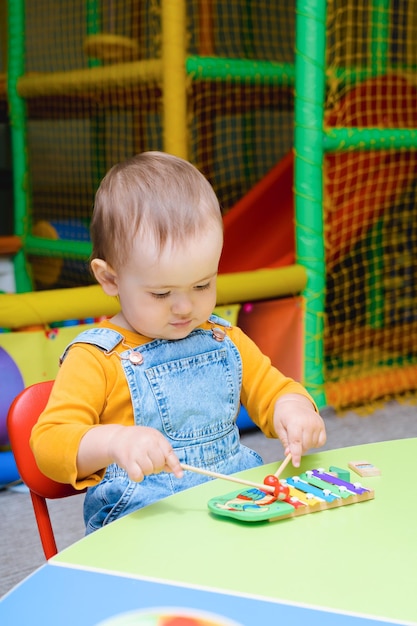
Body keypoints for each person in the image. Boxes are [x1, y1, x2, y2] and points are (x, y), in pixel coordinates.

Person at [31, 151, 326, 534]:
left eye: (203, 285)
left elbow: (275, 391)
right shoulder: (96, 359)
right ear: (110, 279)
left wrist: (295, 409)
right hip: (146, 524)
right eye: (161, 293)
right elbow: (49, 445)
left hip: (234, 507)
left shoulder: (225, 339)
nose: (185, 307)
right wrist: (112, 440)